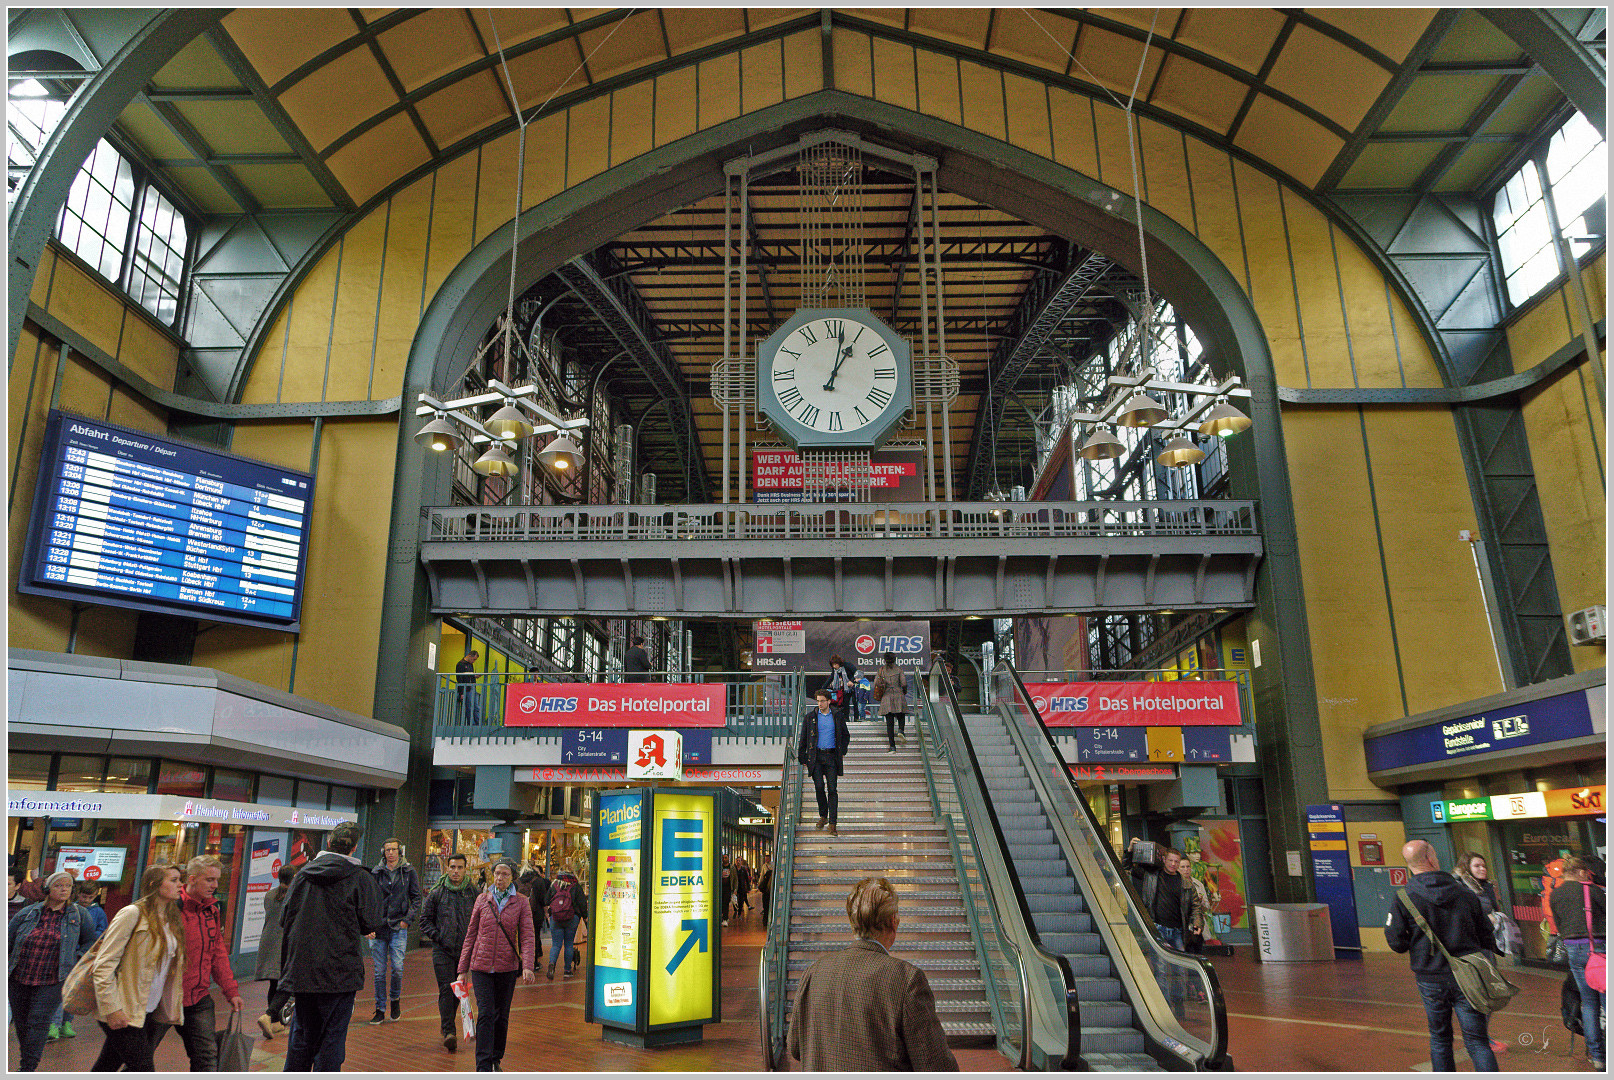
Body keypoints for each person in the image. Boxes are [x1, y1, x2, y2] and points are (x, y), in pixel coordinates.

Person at [787, 876, 958, 1071]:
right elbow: (936, 1066)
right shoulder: (907, 980)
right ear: (893, 922)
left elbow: (795, 1047)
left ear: (853, 921)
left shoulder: (814, 972)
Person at [1384, 839, 1500, 1072]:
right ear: (1431, 858)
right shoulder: (1465, 893)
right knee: (1477, 1041)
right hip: (1467, 975)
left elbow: (1396, 942)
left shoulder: (1404, 897)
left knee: (1440, 1038)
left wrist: (1417, 944)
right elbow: (1486, 934)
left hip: (1430, 976)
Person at [280, 821, 387, 1072]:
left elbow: (286, 918)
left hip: (303, 971)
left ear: (328, 842)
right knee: (332, 1039)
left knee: (302, 1036)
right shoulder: (360, 877)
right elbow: (372, 920)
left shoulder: (303, 875)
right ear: (354, 847)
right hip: (339, 973)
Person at [88, 864, 186, 1072]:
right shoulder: (132, 913)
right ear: (155, 884)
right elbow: (103, 964)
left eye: (180, 880)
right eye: (174, 880)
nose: (180, 884)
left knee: (108, 1064)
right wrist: (112, 1008)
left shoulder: (170, 918)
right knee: (143, 1068)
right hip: (123, 1006)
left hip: (147, 1008)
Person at [8, 871, 97, 1071]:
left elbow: (91, 942)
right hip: (20, 975)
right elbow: (8, 939)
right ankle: (28, 1058)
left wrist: (75, 959)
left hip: (53, 978)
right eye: (59, 885)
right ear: (48, 889)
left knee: (39, 1021)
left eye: (68, 886)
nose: (64, 889)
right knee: (22, 1023)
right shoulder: (29, 912)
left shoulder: (79, 915)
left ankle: (27, 1068)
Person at [458, 859, 536, 1072]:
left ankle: (495, 1058)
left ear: (513, 877)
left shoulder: (521, 902)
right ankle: (482, 1065)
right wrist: (462, 969)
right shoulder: (482, 900)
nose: (500, 878)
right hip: (481, 966)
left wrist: (527, 965)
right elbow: (471, 934)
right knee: (485, 1013)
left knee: (501, 1016)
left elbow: (528, 936)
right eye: (497, 873)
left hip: (507, 968)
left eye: (505, 874)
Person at [171, 855, 244, 1071]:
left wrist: (231, 991)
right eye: (209, 880)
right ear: (192, 879)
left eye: (217, 880)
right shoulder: (172, 908)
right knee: (139, 1060)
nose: (214, 885)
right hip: (165, 997)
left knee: (207, 1058)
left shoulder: (211, 910)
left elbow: (217, 954)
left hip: (198, 998)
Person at [1123, 840, 1199, 1016]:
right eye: (1170, 861)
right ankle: (1166, 1005)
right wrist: (1129, 851)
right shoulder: (1152, 875)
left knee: (1180, 970)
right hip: (1158, 929)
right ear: (1164, 860)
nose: (1173, 865)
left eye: (1176, 862)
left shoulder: (1185, 883)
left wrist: (1197, 923)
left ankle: (1178, 1000)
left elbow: (1195, 906)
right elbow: (1127, 867)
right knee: (1161, 970)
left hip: (1178, 931)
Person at [1548, 856, 1604, 1070]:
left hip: (1574, 951)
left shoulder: (1556, 893)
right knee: (1607, 1002)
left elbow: (1559, 923)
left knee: (1588, 1003)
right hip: (1598, 950)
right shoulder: (1591, 889)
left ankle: (1597, 1056)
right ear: (1581, 872)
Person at [420, 853, 478, 1053]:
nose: (456, 871)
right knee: (446, 988)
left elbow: (479, 920)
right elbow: (425, 920)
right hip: (442, 950)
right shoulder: (437, 893)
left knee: (457, 991)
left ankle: (447, 1025)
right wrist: (438, 937)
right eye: (452, 867)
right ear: (447, 868)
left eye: (460, 867)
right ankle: (449, 1032)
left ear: (465, 868)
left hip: (464, 951)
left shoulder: (473, 892)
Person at [367, 837, 423, 1025]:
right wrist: (369, 925)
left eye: (394, 849)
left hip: (399, 927)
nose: (390, 853)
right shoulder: (376, 872)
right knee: (379, 972)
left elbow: (416, 898)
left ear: (400, 852)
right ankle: (380, 1009)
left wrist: (407, 920)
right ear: (383, 852)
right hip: (378, 928)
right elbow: (369, 899)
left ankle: (395, 1000)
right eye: (387, 850)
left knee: (397, 968)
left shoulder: (408, 871)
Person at [47, 880, 109, 1040]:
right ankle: (54, 1023)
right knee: (60, 991)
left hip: (82, 955)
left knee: (71, 991)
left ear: (95, 896)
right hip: (67, 953)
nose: (86, 900)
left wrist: (85, 949)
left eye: (90, 897)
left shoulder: (98, 913)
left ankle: (66, 1022)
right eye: (83, 896)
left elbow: (101, 931)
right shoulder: (71, 909)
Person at [800, 688, 852, 836]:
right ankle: (823, 815)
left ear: (829, 701)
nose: (820, 703)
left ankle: (833, 823)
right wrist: (802, 755)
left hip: (831, 756)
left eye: (822, 701)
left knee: (832, 789)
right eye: (818, 701)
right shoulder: (810, 717)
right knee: (818, 786)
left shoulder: (837, 716)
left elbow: (845, 735)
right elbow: (804, 737)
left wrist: (842, 750)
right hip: (816, 756)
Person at [255, 862, 296, 1040]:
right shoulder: (294, 896)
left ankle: (275, 1023)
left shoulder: (270, 894)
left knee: (274, 982)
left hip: (268, 941)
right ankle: (270, 1016)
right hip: (284, 943)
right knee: (288, 982)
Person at [544, 867, 587, 980]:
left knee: (556, 944)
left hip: (556, 918)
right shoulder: (575, 886)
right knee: (568, 944)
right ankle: (567, 970)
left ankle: (552, 964)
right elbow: (582, 903)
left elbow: (546, 900)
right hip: (572, 918)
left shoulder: (554, 885)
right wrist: (585, 917)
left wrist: (549, 914)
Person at [874, 651, 909, 753]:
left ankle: (892, 747)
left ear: (884, 660)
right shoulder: (899, 669)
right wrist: (904, 691)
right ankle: (901, 730)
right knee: (901, 715)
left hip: (886, 696)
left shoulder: (881, 670)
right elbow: (903, 683)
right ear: (895, 659)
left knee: (889, 724)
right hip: (898, 694)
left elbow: (876, 683)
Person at [825, 654, 857, 724]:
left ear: (839, 663)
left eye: (835, 664)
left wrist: (852, 681)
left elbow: (856, 673)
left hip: (854, 686)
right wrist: (823, 687)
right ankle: (846, 718)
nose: (834, 666)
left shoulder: (847, 665)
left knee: (855, 702)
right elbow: (831, 678)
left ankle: (856, 718)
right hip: (846, 688)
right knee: (845, 702)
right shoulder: (835, 670)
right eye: (833, 665)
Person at [457, 650, 482, 724]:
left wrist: (474, 676)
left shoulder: (470, 665)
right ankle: (472, 724)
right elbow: (459, 679)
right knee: (470, 707)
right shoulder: (460, 664)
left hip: (472, 687)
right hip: (467, 689)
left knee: (476, 707)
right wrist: (461, 692)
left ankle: (477, 724)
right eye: (474, 659)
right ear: (469, 656)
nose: (474, 661)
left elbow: (469, 675)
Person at [759, 858, 774, 928]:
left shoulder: (766, 868)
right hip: (768, 891)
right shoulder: (765, 866)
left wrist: (759, 884)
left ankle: (765, 921)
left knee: (766, 907)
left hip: (766, 891)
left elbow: (762, 877)